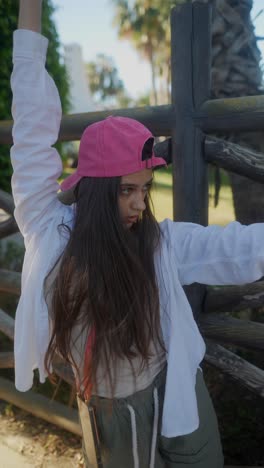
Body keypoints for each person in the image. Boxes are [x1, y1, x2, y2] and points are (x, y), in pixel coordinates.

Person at [11, 1, 264, 467]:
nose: (137, 203)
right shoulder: (49, 229)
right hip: (110, 413)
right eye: (126, 189)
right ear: (93, 187)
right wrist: (30, 11)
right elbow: (30, 131)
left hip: (179, 398)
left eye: (143, 189)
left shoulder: (159, 242)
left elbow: (235, 248)